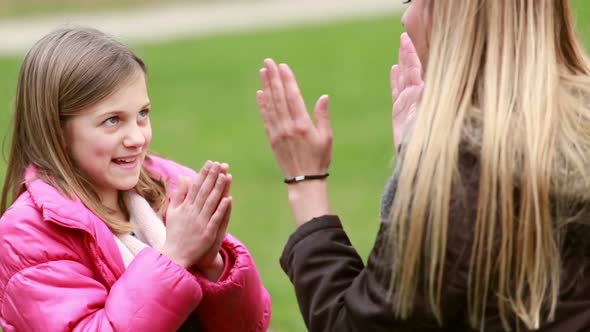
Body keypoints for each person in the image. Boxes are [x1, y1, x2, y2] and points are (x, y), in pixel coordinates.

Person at [255, 0, 590, 330]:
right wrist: (414, 164)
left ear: (453, 15)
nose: (406, 17)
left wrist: (306, 182)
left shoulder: (458, 182)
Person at [0, 27, 271, 331]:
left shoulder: (171, 187)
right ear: (57, 130)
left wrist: (214, 265)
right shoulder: (28, 233)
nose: (137, 138)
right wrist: (175, 257)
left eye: (142, 114)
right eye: (112, 120)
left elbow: (248, 325)